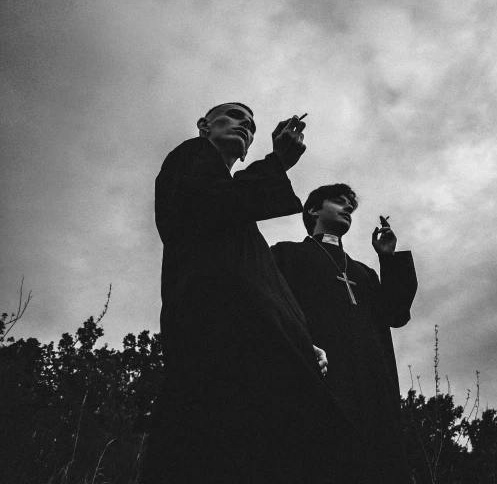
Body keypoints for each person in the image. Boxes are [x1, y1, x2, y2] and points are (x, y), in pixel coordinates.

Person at [142, 104, 360, 483]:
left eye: (252, 124)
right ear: (204, 126)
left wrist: (303, 343)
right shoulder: (189, 158)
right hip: (219, 347)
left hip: (258, 356)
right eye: (234, 115)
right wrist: (276, 162)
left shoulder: (244, 230)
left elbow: (262, 287)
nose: (246, 123)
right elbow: (208, 206)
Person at [271, 184, 418, 483]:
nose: (348, 207)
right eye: (338, 201)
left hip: (373, 394)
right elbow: (270, 313)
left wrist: (388, 258)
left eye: (351, 204)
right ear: (312, 210)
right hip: (321, 387)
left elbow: (396, 314)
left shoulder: (365, 273)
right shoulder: (286, 255)